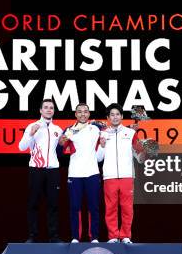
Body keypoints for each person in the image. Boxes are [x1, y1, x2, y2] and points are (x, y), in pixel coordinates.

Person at [98, 103, 146, 244]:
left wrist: (146, 151)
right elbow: (98, 157)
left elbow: (140, 157)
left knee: (127, 208)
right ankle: (113, 236)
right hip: (109, 176)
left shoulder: (130, 133)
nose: (115, 117)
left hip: (127, 176)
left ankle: (125, 236)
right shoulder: (103, 133)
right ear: (108, 117)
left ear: (122, 116)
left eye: (117, 114)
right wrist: (101, 145)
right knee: (110, 208)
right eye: (112, 115)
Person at [18, 99, 64, 243]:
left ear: (54, 111)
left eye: (51, 108)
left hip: (53, 171)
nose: (49, 110)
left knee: (53, 204)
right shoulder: (32, 126)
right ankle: (32, 235)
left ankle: (54, 236)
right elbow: (21, 147)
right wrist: (30, 134)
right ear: (40, 110)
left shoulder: (58, 129)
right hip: (36, 170)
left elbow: (61, 151)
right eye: (46, 107)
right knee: (33, 203)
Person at [59, 103, 103, 243]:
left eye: (85, 112)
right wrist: (61, 143)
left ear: (89, 114)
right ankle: (75, 237)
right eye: (80, 112)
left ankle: (94, 237)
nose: (83, 114)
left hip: (92, 173)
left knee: (94, 207)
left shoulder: (96, 128)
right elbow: (60, 151)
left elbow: (115, 131)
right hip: (75, 174)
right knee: (75, 207)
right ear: (75, 114)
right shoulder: (69, 130)